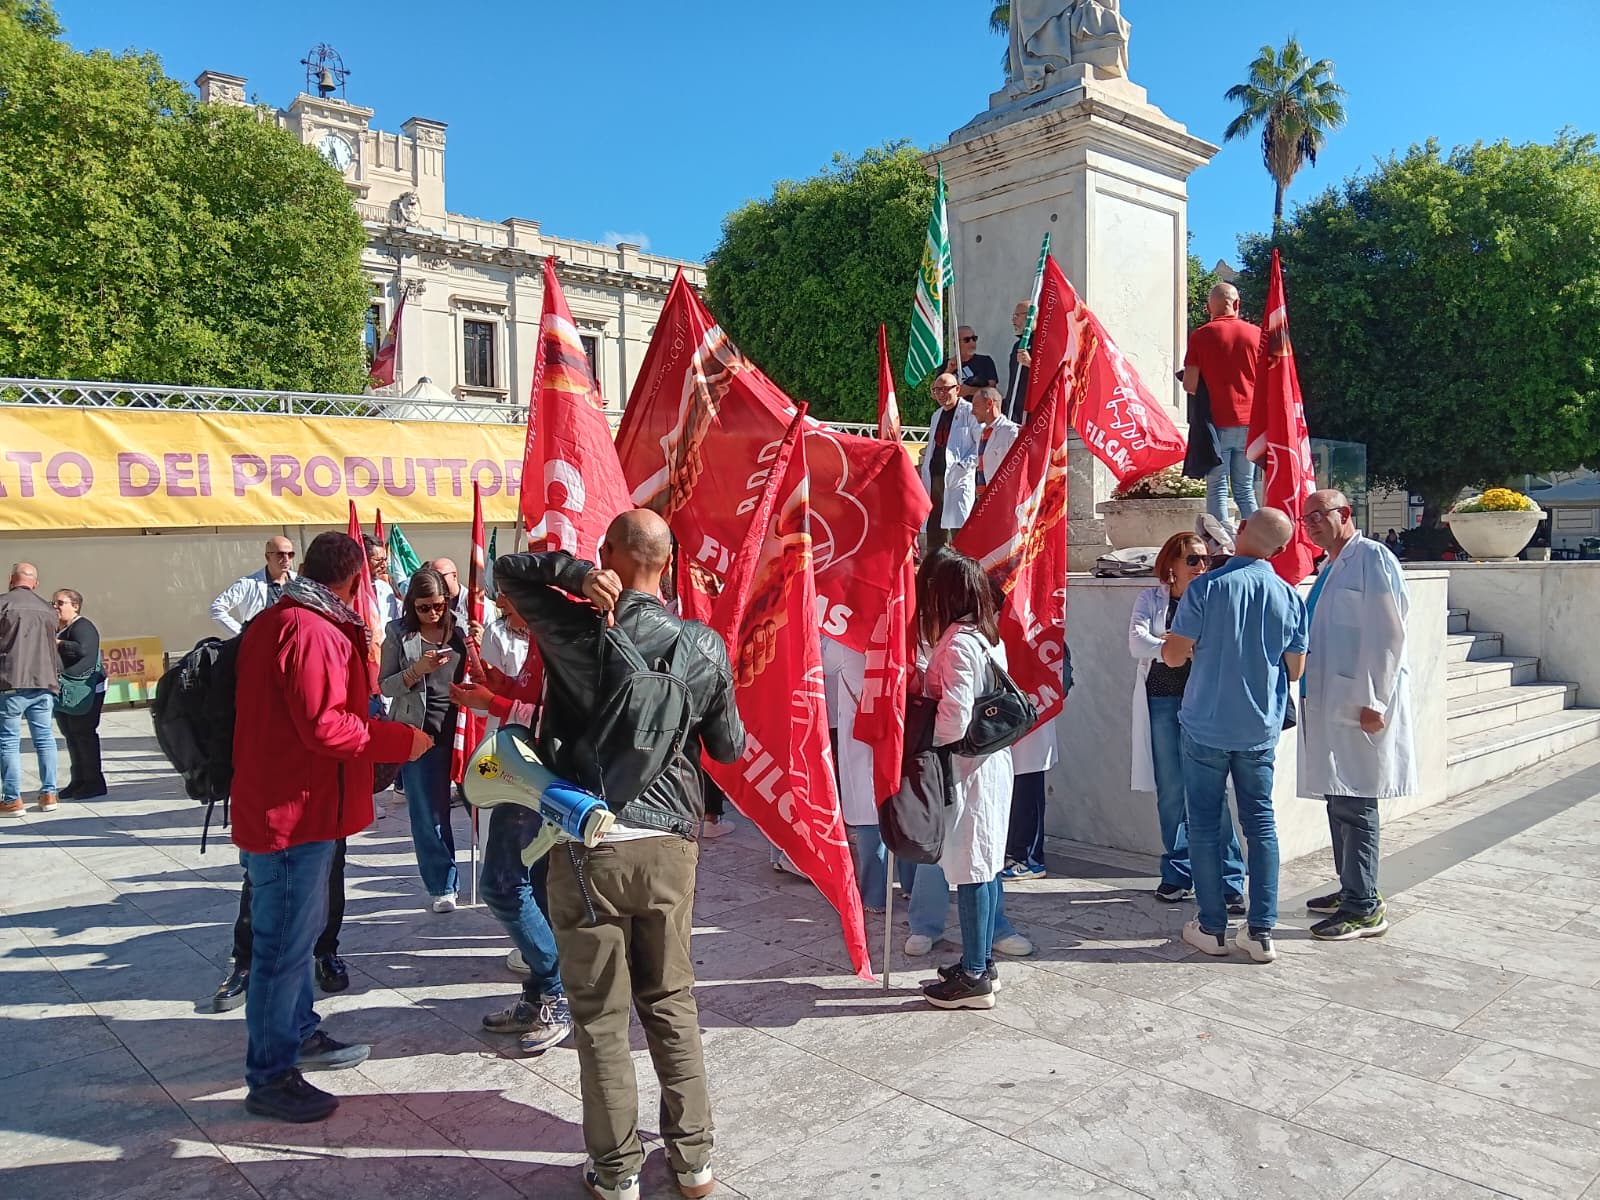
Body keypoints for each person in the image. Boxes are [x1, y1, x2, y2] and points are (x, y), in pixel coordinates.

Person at [493, 509, 744, 1200]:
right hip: (667, 847)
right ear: (665, 561)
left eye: (596, 554)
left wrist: (572, 575)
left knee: (601, 1018)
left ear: (610, 556)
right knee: (671, 1002)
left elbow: (506, 570)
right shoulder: (703, 645)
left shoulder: (576, 631)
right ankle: (693, 1163)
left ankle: (617, 1172)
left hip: (588, 843)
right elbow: (729, 748)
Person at [230, 532, 428, 1122]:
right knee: (283, 948)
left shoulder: (286, 618)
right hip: (292, 813)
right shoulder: (311, 629)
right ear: (354, 581)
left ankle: (298, 1031)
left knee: (296, 936)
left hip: (298, 804)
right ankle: (270, 1077)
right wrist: (402, 741)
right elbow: (327, 727)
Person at [1162, 510, 1307, 964]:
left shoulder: (1205, 587)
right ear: (1281, 551)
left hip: (1206, 721)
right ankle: (1261, 930)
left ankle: (1212, 926)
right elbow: (1296, 667)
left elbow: (1172, 656)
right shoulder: (1287, 595)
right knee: (1261, 825)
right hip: (1258, 725)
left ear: (1239, 532)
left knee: (1204, 825)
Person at [450, 594, 574, 1056]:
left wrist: (494, 701)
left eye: (509, 597)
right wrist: (495, 685)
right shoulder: (539, 641)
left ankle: (555, 989)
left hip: (539, 777)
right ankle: (542, 994)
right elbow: (528, 698)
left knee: (502, 884)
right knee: (533, 886)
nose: (500, 605)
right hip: (520, 774)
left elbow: (561, 722)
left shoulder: (564, 644)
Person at [1299, 490, 1416, 941]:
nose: (1310, 523)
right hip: (1326, 697)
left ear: (1345, 514)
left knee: (1356, 801)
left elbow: (1390, 633)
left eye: (1318, 515)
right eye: (1304, 517)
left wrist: (1377, 700)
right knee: (1338, 796)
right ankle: (1352, 886)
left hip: (1359, 701)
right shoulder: (1329, 565)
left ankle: (1364, 906)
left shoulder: (1373, 558)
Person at [917, 552, 1015, 1010]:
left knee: (973, 866)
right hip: (991, 762)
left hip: (968, 766)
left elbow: (954, 716)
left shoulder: (957, 643)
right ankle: (982, 960)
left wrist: (927, 740)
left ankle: (974, 975)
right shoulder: (985, 635)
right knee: (986, 861)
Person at [1127, 534, 1246, 909]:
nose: (1201, 567)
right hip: (1162, 700)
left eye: (1205, 560)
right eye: (1192, 560)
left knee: (1212, 790)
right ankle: (1177, 871)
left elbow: (1219, 645)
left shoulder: (1213, 596)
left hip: (1203, 701)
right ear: (1172, 565)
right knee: (1171, 791)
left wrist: (1169, 643)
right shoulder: (1150, 599)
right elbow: (1136, 642)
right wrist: (1173, 649)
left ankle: (1229, 877)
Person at [380, 567, 469, 912]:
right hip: (420, 732)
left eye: (438, 606)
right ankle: (442, 885)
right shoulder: (399, 634)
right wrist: (418, 670)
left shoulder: (462, 628)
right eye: (424, 608)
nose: (433, 613)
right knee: (429, 814)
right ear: (410, 606)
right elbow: (385, 684)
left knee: (482, 807)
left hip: (463, 729)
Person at [1183, 283, 1262, 528]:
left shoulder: (1202, 335)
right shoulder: (1257, 334)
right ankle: (1257, 541)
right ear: (1237, 304)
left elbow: (1189, 384)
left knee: (1217, 487)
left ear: (1209, 308)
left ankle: (1222, 545)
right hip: (1251, 423)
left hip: (1217, 423)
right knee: (1245, 489)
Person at [823, 635, 886, 911]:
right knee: (903, 810)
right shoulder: (899, 625)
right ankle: (908, 885)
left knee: (867, 813)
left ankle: (875, 896)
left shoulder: (847, 638)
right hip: (897, 728)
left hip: (860, 734)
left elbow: (823, 663)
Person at [1, 563, 61, 817]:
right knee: (45, 739)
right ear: (35, 583)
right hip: (43, 681)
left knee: (8, 741)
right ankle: (49, 793)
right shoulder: (48, 610)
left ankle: (13, 799)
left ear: (10, 580)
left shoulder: (3, 604)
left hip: (10, 681)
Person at [51, 589, 107, 801]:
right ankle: (79, 780)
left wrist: (59, 644)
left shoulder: (83, 626)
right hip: (66, 691)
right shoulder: (59, 628)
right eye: (53, 603)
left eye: (60, 603)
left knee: (84, 734)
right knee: (71, 735)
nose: (55, 607)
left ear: (75, 606)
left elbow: (84, 651)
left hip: (85, 690)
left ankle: (94, 782)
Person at [918, 373, 980, 551]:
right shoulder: (936, 415)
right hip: (935, 477)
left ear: (957, 389)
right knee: (935, 525)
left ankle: (961, 566)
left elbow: (980, 443)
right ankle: (935, 566)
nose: (941, 394)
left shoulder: (970, 411)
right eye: (937, 390)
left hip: (957, 479)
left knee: (958, 527)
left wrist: (964, 465)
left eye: (946, 389)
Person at [211, 537, 296, 635]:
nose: (286, 559)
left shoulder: (300, 581)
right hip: (263, 646)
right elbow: (216, 608)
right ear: (267, 557)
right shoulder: (247, 583)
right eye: (280, 554)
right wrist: (242, 635)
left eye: (290, 554)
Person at [970, 385, 1020, 506]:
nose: (972, 411)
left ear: (989, 403)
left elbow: (1017, 471)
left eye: (975, 405)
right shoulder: (980, 433)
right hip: (982, 500)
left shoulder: (1011, 432)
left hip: (1003, 500)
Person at [1004, 300, 1033, 424]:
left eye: (1017, 316)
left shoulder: (1044, 344)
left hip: (1033, 411)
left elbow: (1052, 377)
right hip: (1014, 411)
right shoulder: (1018, 345)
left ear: (1030, 316)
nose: (1013, 321)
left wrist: (1031, 364)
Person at [952, 325, 999, 399]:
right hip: (956, 409)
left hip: (979, 408)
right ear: (956, 344)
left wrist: (969, 390)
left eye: (974, 338)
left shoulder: (985, 361)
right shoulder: (948, 364)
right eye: (967, 340)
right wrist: (948, 370)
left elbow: (992, 389)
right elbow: (935, 393)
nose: (972, 342)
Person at [364, 535, 402, 626]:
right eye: (378, 560)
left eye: (385, 560)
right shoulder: (351, 590)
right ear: (364, 559)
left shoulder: (385, 588)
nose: (384, 565)